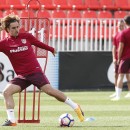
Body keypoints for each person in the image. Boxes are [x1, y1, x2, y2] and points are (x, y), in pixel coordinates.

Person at [0, 14, 84, 126]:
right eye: (13, 28)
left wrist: (51, 49)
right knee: (6, 92)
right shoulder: (4, 44)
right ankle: (12, 121)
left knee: (50, 91)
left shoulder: (26, 36)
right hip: (22, 76)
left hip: (34, 71)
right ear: (7, 30)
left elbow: (38, 44)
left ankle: (75, 106)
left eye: (17, 27)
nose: (16, 30)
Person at [111, 15, 130, 101]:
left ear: (125, 23)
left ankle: (118, 96)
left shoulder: (123, 33)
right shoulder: (118, 34)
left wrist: (118, 58)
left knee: (121, 76)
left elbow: (120, 47)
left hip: (125, 57)